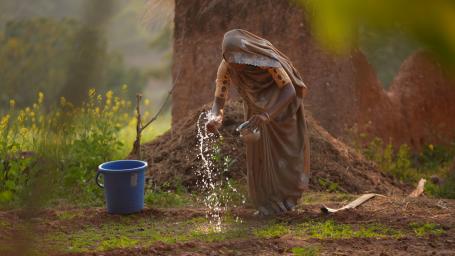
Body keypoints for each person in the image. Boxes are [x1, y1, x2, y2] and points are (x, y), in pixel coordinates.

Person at [206, 29, 310, 216]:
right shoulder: (227, 66)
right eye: (232, 59)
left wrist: (267, 116)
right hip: (256, 115)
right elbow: (219, 100)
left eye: (239, 58)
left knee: (287, 156)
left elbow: (289, 91)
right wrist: (215, 118)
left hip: (281, 111)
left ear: (247, 54)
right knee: (259, 157)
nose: (236, 64)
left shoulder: (266, 62)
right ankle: (266, 203)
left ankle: (287, 202)